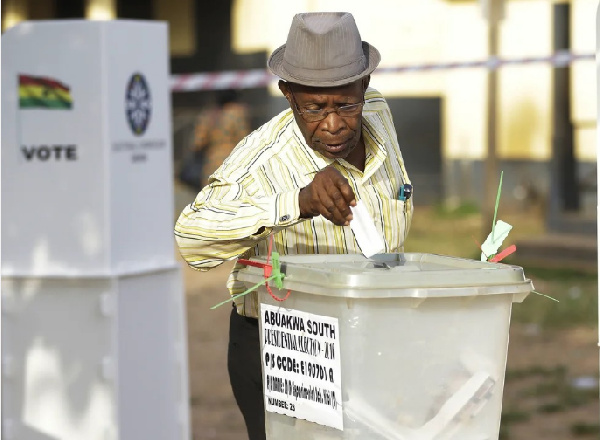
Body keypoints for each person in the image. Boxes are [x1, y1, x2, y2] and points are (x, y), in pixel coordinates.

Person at [175, 12, 413, 440]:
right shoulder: (263, 161)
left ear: (365, 86)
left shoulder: (377, 111)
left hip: (370, 333)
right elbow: (191, 235)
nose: (334, 123)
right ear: (287, 95)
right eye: (314, 108)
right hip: (287, 349)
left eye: (345, 104)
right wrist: (296, 202)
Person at [187, 89, 250, 189]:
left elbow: (197, 143)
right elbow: (244, 139)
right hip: (233, 163)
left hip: (212, 164)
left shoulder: (208, 114)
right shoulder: (236, 112)